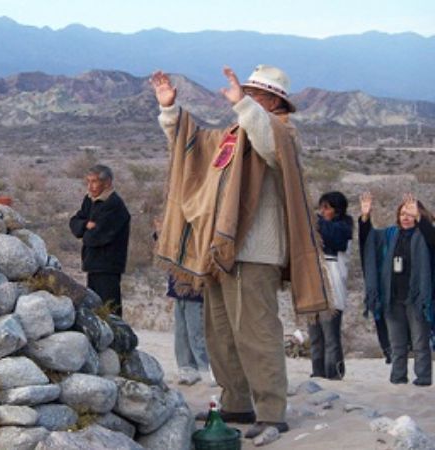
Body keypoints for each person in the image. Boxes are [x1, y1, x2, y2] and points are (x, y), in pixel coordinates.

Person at [151, 65, 331, 440]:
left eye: (257, 95)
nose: (249, 99)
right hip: (221, 250)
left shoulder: (282, 131)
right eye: (248, 93)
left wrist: (244, 106)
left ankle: (271, 410)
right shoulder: (234, 135)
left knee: (256, 331)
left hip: (256, 252)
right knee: (221, 332)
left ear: (276, 102)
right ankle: (236, 402)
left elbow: (268, 144)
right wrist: (170, 111)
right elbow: (193, 149)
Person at [359, 192, 434, 386]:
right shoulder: (390, 235)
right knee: (397, 344)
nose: (405, 218)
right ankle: (398, 378)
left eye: (410, 214)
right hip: (392, 298)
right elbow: (369, 242)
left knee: (420, 342)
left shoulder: (424, 235)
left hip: (417, 299)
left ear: (418, 214)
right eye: (402, 214)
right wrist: (365, 219)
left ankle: (423, 378)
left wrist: (421, 219)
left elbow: (432, 240)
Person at [69, 164, 130, 315]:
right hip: (93, 265)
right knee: (95, 310)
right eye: (88, 182)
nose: (90, 186)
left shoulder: (114, 205)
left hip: (108, 266)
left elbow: (94, 237)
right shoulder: (90, 200)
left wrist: (85, 230)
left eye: (94, 181)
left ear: (107, 182)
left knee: (109, 311)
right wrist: (86, 225)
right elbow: (74, 223)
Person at [309, 192, 353, 380]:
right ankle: (318, 372)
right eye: (321, 207)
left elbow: (334, 237)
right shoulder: (320, 226)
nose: (322, 211)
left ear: (337, 210)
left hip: (333, 287)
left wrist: (314, 219)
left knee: (331, 337)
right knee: (315, 336)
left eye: (327, 208)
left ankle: (334, 373)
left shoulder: (344, 227)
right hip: (315, 285)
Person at [168, 275, 210, 385]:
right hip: (178, 286)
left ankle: (204, 369)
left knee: (196, 331)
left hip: (197, 288)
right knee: (181, 333)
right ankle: (186, 368)